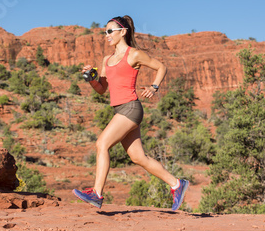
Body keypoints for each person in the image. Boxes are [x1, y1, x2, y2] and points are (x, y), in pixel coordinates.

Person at [72, 15, 189, 211]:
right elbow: (102, 89)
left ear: (123, 32)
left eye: (110, 31)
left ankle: (97, 193)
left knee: (102, 143)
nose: (106, 35)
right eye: (105, 32)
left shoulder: (133, 54)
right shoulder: (106, 60)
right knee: (138, 157)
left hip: (131, 108)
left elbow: (161, 67)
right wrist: (91, 78)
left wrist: (154, 87)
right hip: (120, 109)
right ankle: (177, 184)